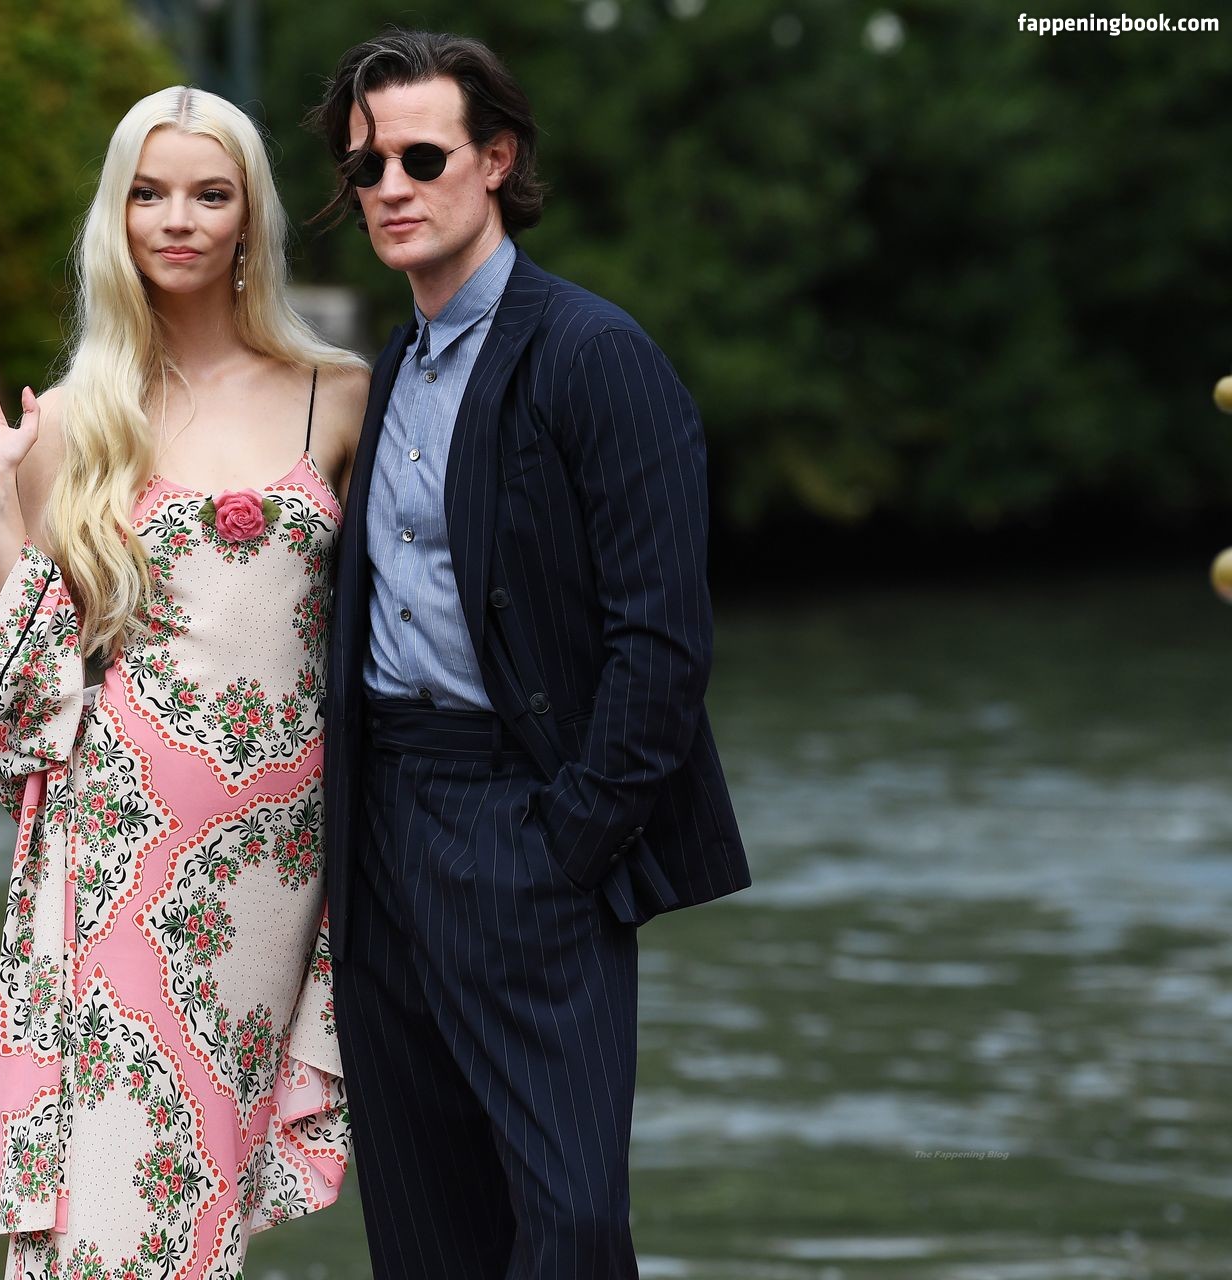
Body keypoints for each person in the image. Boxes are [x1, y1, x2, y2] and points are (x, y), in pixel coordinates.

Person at [305, 30, 753, 1280]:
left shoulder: (596, 354)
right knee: (425, 1226)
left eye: (423, 157)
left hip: (526, 823)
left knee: (570, 1222)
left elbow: (664, 641)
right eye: (367, 166)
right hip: (381, 827)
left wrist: (569, 841)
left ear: (497, 159)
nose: (391, 187)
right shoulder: (389, 367)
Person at [0, 86, 369, 1279]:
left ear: (249, 216)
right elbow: (30, 695)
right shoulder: (72, 419)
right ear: (117, 215)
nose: (178, 219)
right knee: (122, 1186)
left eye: (209, 194)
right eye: (150, 194)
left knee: (204, 1185)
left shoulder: (338, 393)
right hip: (118, 849)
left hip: (278, 862)